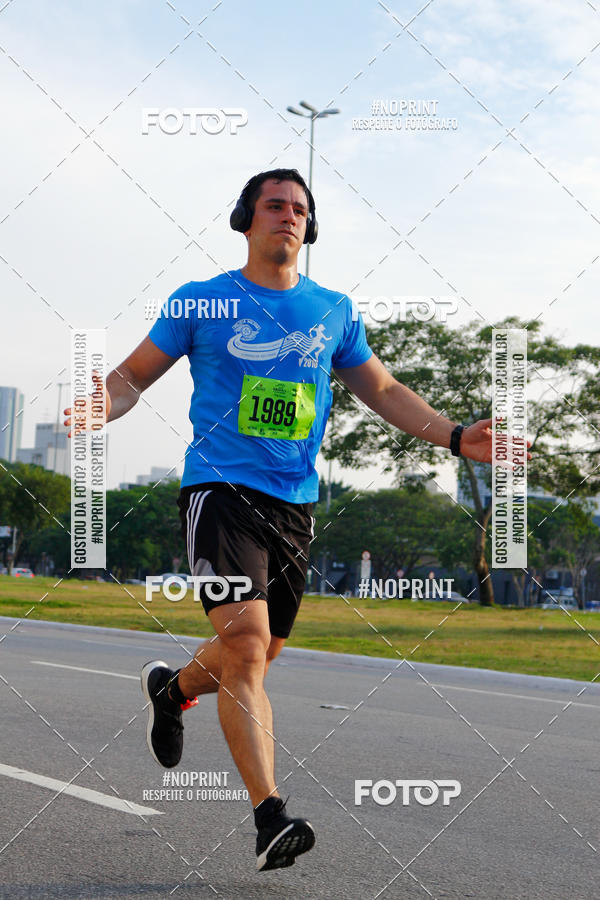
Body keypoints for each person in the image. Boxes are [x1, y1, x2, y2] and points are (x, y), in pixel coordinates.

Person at [65, 168, 500, 872]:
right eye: (274, 205)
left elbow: (382, 390)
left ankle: (171, 690)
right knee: (245, 647)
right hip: (219, 491)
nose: (289, 216)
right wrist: (101, 403)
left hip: (293, 505)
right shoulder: (202, 302)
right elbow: (134, 375)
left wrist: (453, 435)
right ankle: (270, 816)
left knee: (256, 657)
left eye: (301, 209)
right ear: (245, 218)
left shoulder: (333, 311)